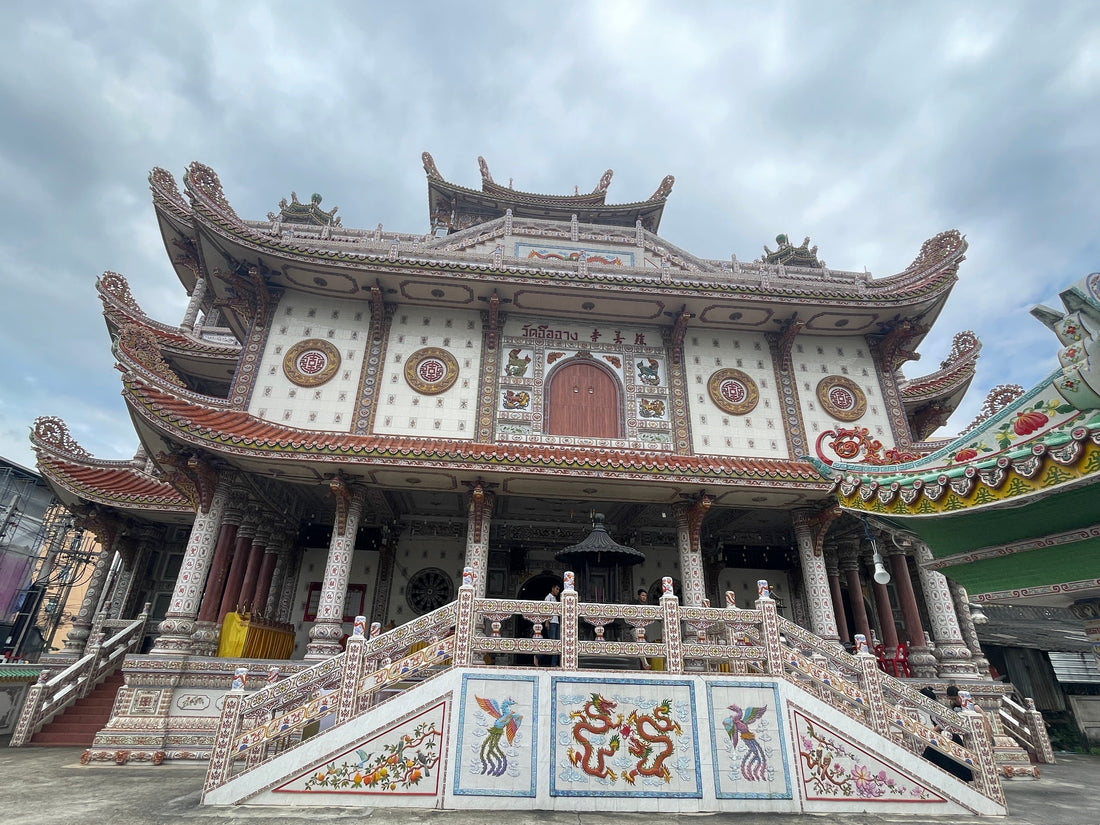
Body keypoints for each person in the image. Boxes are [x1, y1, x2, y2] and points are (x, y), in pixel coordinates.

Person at [920, 685, 973, 782]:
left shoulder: (937, 708)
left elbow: (942, 723)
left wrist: (931, 732)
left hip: (949, 736)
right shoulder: (935, 708)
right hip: (944, 736)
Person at [542, 583, 561, 666]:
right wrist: (546, 621)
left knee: (557, 643)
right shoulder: (548, 597)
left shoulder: (555, 599)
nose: (558, 591)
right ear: (552, 588)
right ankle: (538, 656)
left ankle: (554, 663)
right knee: (552, 643)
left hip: (556, 622)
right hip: (551, 622)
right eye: (557, 589)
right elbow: (546, 610)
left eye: (558, 589)